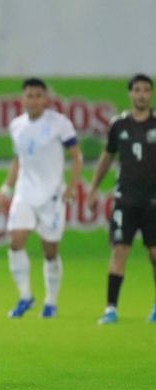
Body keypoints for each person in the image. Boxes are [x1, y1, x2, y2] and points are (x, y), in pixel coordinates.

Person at [0, 78, 83, 319]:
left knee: (50, 251)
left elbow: (77, 157)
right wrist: (6, 187)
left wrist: (72, 187)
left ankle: (51, 302)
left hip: (52, 195)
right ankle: (25, 296)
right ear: (22, 99)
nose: (33, 99)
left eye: (38, 95)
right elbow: (18, 160)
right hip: (25, 192)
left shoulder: (60, 124)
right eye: (29, 95)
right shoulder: (16, 126)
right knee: (15, 241)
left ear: (46, 99)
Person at [89, 74, 156, 325]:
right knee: (119, 250)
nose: (141, 94)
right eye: (137, 89)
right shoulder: (119, 125)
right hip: (125, 199)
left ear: (150, 94)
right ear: (130, 94)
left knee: (155, 254)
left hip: (153, 200)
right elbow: (107, 157)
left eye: (146, 90)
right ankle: (110, 308)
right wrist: (94, 187)